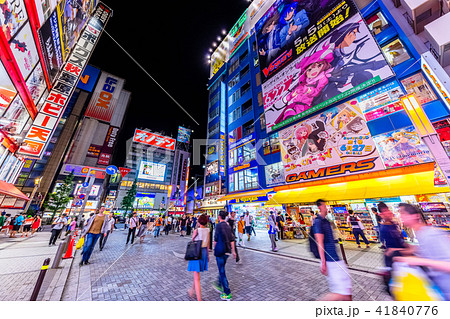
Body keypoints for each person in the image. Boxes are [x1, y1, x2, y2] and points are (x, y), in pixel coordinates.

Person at [395, 203, 450, 300]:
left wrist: (419, 261)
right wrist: (412, 250)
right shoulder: (420, 234)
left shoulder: (430, 234)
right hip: (438, 291)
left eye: (403, 214)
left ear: (416, 216)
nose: (401, 217)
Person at [314, 199, 352, 301]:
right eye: (324, 206)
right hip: (330, 261)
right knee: (341, 293)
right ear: (319, 207)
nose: (326, 208)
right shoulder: (318, 222)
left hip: (336, 258)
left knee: (347, 290)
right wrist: (323, 262)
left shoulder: (326, 221)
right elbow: (319, 242)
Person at [377, 202, 411, 295]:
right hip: (395, 260)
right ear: (381, 215)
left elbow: (401, 241)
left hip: (402, 258)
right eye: (385, 211)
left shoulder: (393, 223)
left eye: (388, 209)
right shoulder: (384, 228)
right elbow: (389, 250)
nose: (388, 212)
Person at [212, 210, 236, 301]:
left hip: (220, 251)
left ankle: (227, 292)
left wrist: (215, 248)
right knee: (221, 269)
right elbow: (232, 240)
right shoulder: (228, 226)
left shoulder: (218, 226)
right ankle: (219, 284)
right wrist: (233, 251)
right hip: (227, 251)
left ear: (219, 217)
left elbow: (215, 240)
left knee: (222, 271)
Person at [187, 214, 210, 301]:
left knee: (197, 278)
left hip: (196, 252)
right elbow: (208, 243)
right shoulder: (208, 230)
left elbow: (193, 240)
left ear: (199, 221)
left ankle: (199, 299)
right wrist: (207, 255)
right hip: (204, 252)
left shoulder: (196, 230)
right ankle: (192, 290)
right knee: (197, 274)